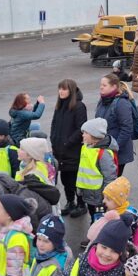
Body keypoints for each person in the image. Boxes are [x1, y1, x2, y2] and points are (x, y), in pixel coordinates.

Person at [50, 79, 88, 215]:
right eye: (60, 88)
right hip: (59, 150)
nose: (61, 91)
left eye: (64, 89)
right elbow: (54, 124)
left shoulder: (79, 106)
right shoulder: (59, 106)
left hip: (73, 150)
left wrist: (67, 142)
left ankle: (81, 204)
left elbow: (81, 128)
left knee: (75, 180)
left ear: (71, 90)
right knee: (65, 179)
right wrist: (53, 139)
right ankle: (70, 202)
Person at [75, 118, 118, 220]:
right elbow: (83, 170)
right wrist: (80, 189)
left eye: (85, 133)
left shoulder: (104, 153)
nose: (82, 135)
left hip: (99, 198)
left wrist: (106, 197)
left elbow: (110, 178)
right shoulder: (86, 147)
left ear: (94, 136)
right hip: (88, 193)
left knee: (99, 217)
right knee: (92, 214)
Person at [95, 74, 134, 175]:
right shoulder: (102, 100)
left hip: (117, 152)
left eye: (104, 85)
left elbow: (127, 129)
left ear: (113, 87)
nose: (101, 87)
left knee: (112, 180)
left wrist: (114, 147)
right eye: (101, 84)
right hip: (104, 149)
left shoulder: (121, 103)